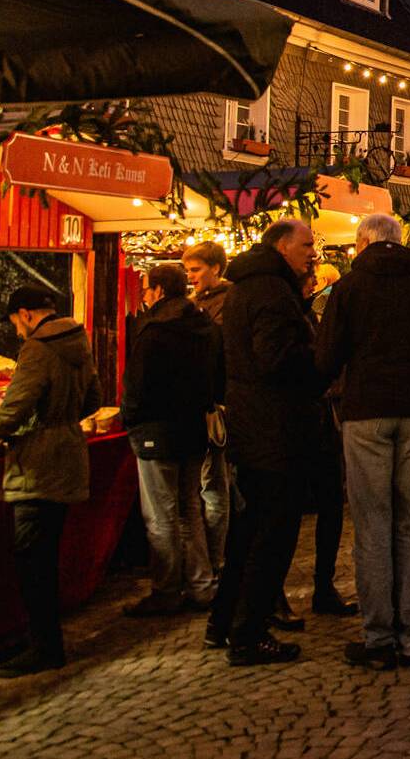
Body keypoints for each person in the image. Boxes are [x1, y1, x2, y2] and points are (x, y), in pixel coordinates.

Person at [313, 214, 410, 668]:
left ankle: (378, 638)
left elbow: (327, 357)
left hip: (367, 412)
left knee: (373, 526)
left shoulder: (350, 288)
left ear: (362, 244)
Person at [0, 285, 101, 676]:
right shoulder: (78, 340)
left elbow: (14, 409)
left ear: (24, 313)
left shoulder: (38, 349)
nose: (17, 329)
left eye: (14, 321)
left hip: (39, 463)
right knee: (44, 553)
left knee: (32, 559)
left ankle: (46, 647)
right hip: (69, 453)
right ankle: (38, 635)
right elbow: (93, 399)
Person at [209, 218, 325, 666]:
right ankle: (249, 633)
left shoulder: (246, 286)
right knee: (271, 535)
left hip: (253, 424)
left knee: (246, 530)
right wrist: (318, 359)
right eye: (307, 245)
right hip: (276, 429)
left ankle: (223, 623)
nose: (313, 253)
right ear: (281, 246)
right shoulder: (272, 292)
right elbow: (276, 358)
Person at [121, 262, 223, 617]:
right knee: (190, 509)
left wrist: (130, 419)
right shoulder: (204, 325)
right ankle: (202, 584)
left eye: (147, 290)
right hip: (193, 427)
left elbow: (137, 384)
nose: (145, 296)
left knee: (161, 515)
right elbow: (218, 376)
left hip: (156, 430)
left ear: (159, 291)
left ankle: (166, 590)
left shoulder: (154, 330)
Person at [301, 258, 355, 624]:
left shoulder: (310, 312)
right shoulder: (294, 312)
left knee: (331, 504)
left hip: (321, 419)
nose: (313, 283)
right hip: (301, 421)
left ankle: (324, 584)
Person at [182, 241, 233, 590]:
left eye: (196, 270)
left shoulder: (227, 304)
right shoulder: (195, 306)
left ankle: (219, 558)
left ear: (215, 268)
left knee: (215, 485)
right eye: (187, 272)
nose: (191, 278)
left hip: (218, 408)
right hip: (199, 407)